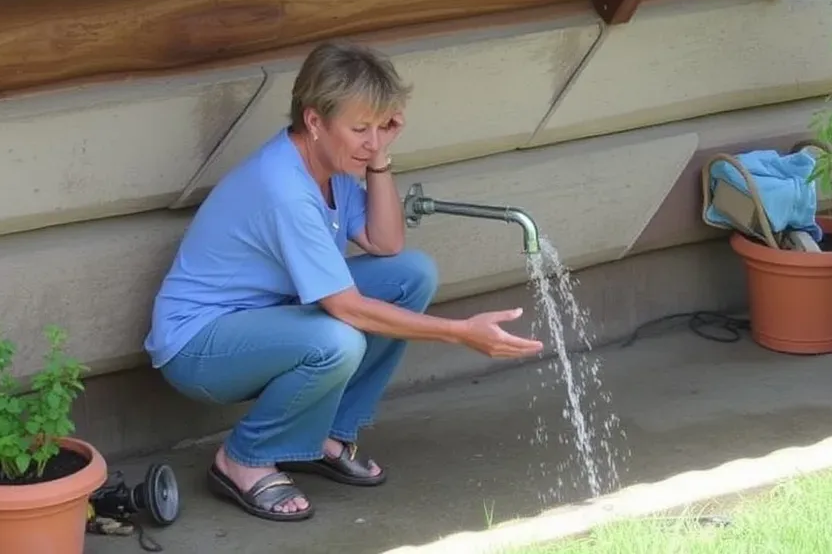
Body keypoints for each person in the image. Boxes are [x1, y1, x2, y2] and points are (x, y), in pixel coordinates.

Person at [143, 42, 545, 522]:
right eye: (360, 129)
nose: (372, 141)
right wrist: (460, 332)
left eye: (382, 127)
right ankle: (243, 459)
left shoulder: (328, 170)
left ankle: (322, 436)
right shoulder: (285, 189)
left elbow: (386, 242)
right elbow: (347, 309)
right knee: (337, 339)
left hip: (267, 319)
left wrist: (379, 161)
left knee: (412, 275)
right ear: (315, 122)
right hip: (199, 346)